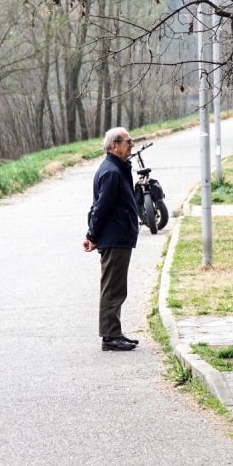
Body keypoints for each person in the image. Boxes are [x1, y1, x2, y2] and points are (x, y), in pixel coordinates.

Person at [83, 128, 141, 352]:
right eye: (128, 141)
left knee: (117, 287)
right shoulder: (112, 172)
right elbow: (100, 207)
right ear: (114, 146)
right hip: (114, 236)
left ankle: (114, 332)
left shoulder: (117, 168)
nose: (132, 144)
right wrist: (92, 235)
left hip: (118, 235)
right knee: (112, 288)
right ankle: (109, 337)